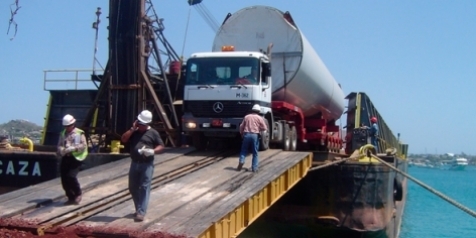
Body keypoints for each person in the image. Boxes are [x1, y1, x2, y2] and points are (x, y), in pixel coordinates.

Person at [121, 110, 164, 222]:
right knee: (133, 187)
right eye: (139, 123)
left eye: (142, 124)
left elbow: (161, 146)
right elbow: (124, 139)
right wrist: (132, 129)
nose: (140, 126)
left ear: (147, 124)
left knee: (144, 187)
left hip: (147, 164)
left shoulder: (153, 133)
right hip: (135, 163)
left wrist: (153, 151)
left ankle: (141, 212)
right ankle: (138, 208)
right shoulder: (134, 132)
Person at [56, 114, 88, 205]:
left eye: (68, 126)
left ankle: (78, 193)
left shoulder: (78, 133)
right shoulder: (63, 133)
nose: (67, 128)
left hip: (76, 158)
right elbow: (59, 145)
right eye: (66, 126)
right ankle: (70, 197)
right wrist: (61, 150)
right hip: (66, 157)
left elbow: (83, 145)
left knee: (71, 176)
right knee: (64, 179)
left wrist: (74, 148)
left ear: (73, 124)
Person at [237, 104, 268, 173]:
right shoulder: (260, 118)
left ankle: (241, 161)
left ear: (252, 110)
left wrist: (242, 133)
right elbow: (265, 128)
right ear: (258, 111)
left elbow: (241, 126)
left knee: (244, 150)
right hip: (255, 136)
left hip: (246, 134)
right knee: (255, 152)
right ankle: (254, 168)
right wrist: (259, 128)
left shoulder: (246, 117)